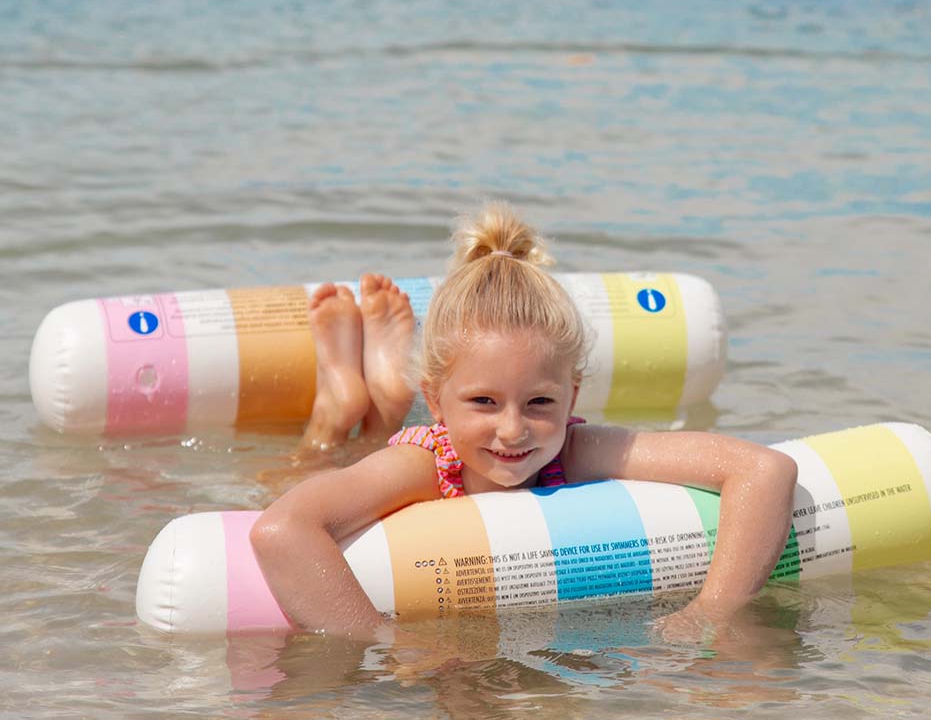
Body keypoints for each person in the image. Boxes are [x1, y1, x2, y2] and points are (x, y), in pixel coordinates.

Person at [250, 203, 798, 640]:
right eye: (484, 402)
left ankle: (377, 387)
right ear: (436, 403)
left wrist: (713, 611)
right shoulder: (423, 465)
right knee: (310, 463)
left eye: (539, 403)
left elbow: (764, 471)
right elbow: (281, 528)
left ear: (572, 395)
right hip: (398, 445)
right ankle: (339, 406)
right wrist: (383, 640)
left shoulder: (574, 448)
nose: (513, 430)